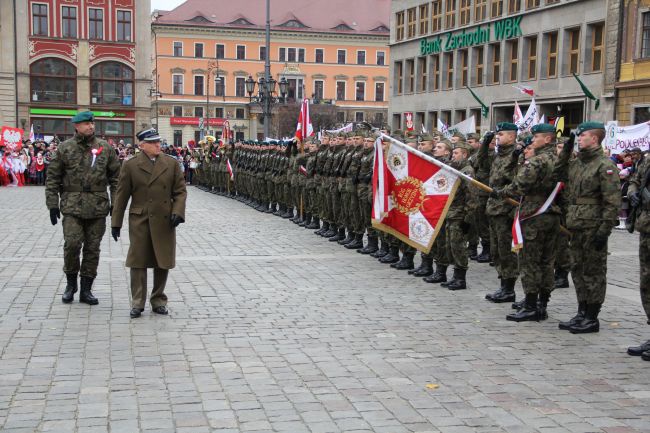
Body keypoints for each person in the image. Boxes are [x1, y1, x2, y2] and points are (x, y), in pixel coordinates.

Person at [45, 111, 120, 305]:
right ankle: (71, 284)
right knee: (72, 245)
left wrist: (116, 205)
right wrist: (52, 204)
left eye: (92, 123)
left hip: (98, 206)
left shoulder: (105, 148)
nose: (91, 126)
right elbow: (52, 178)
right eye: (86, 123)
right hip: (72, 205)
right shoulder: (65, 148)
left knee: (92, 248)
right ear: (76, 126)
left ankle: (86, 289)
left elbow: (116, 179)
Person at [111, 128, 187, 318]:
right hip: (140, 219)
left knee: (163, 261)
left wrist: (177, 212)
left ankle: (158, 299)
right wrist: (116, 222)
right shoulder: (131, 165)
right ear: (142, 145)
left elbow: (180, 191)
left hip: (164, 219)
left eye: (158, 142)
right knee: (138, 261)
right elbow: (121, 196)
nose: (157, 145)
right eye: (153, 143)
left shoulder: (171, 164)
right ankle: (138, 302)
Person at [555, 122, 621, 333]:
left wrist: (604, 231)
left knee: (593, 272)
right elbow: (558, 172)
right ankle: (581, 312)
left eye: (582, 136)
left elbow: (612, 202)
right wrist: (567, 149)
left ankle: (592, 317)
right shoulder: (577, 164)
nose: (579, 139)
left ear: (594, 139)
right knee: (578, 270)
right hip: (576, 225)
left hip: (593, 227)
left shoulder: (605, 165)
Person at [495, 124, 561, 321]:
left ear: (547, 139)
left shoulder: (537, 161)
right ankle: (542, 304)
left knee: (530, 262)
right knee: (547, 262)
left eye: (536, 137)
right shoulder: (560, 160)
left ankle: (531, 305)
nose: (532, 141)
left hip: (533, 214)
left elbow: (519, 185)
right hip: (552, 214)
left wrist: (500, 192)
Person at [626, 150, 650, 360]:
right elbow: (635, 179)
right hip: (647, 227)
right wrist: (633, 191)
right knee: (646, 282)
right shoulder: (648, 159)